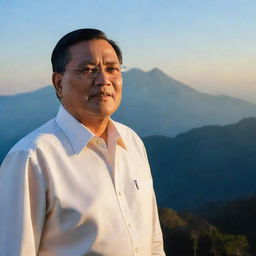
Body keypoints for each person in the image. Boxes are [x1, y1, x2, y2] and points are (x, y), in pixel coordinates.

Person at [0, 28, 165, 256]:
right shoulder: (32, 158)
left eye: (112, 69)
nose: (103, 80)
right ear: (59, 83)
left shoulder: (132, 142)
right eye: (88, 70)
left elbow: (153, 240)